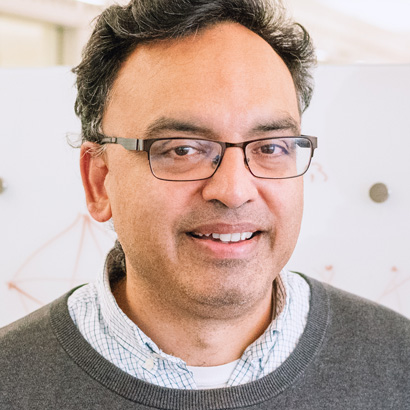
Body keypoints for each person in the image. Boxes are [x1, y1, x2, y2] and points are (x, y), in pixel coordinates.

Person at [1, 0, 409, 408]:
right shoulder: (12, 381)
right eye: (182, 150)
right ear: (100, 182)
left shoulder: (397, 365)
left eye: (270, 146)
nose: (233, 190)